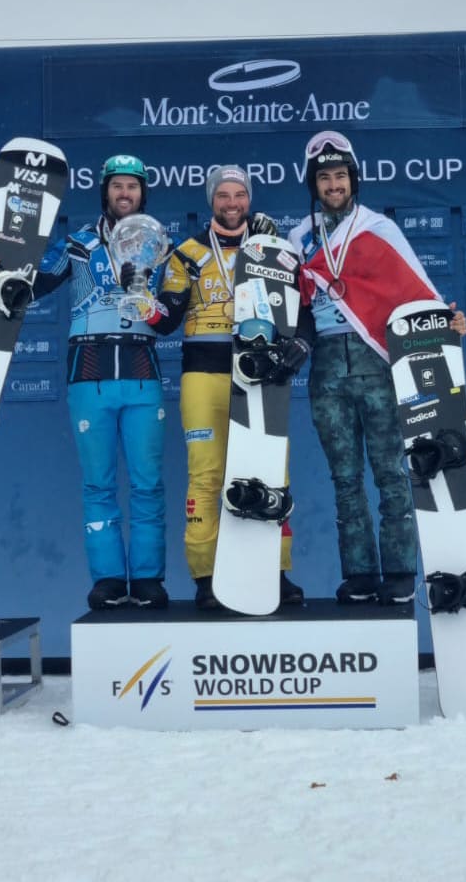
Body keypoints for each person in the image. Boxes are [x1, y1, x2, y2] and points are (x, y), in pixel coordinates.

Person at [0, 153, 170, 610]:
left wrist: (148, 299)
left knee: (147, 483)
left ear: (143, 194)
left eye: (132, 187)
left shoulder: (159, 247)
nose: (124, 194)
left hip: (141, 372)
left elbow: (171, 316)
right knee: (98, 484)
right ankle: (110, 578)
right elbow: (33, 284)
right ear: (105, 192)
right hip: (89, 372)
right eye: (117, 186)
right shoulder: (78, 244)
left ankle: (150, 579)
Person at [289, 130, 466, 605]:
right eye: (324, 178)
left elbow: (416, 293)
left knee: (391, 471)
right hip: (326, 369)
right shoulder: (297, 239)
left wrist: (447, 323)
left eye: (340, 176)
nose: (333, 185)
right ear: (313, 185)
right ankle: (361, 575)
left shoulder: (377, 229)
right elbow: (295, 308)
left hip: (376, 364)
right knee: (344, 479)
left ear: (353, 180)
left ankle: (401, 571)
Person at [153, 165, 306, 610]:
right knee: (206, 475)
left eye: (240, 194)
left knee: (272, 471)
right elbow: (166, 320)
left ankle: (275, 573)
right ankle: (205, 577)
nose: (232, 203)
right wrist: (141, 293)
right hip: (203, 374)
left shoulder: (272, 247)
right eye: (224, 195)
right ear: (211, 201)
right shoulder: (186, 252)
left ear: (249, 199)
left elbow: (298, 306)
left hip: (260, 373)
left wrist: (300, 340)